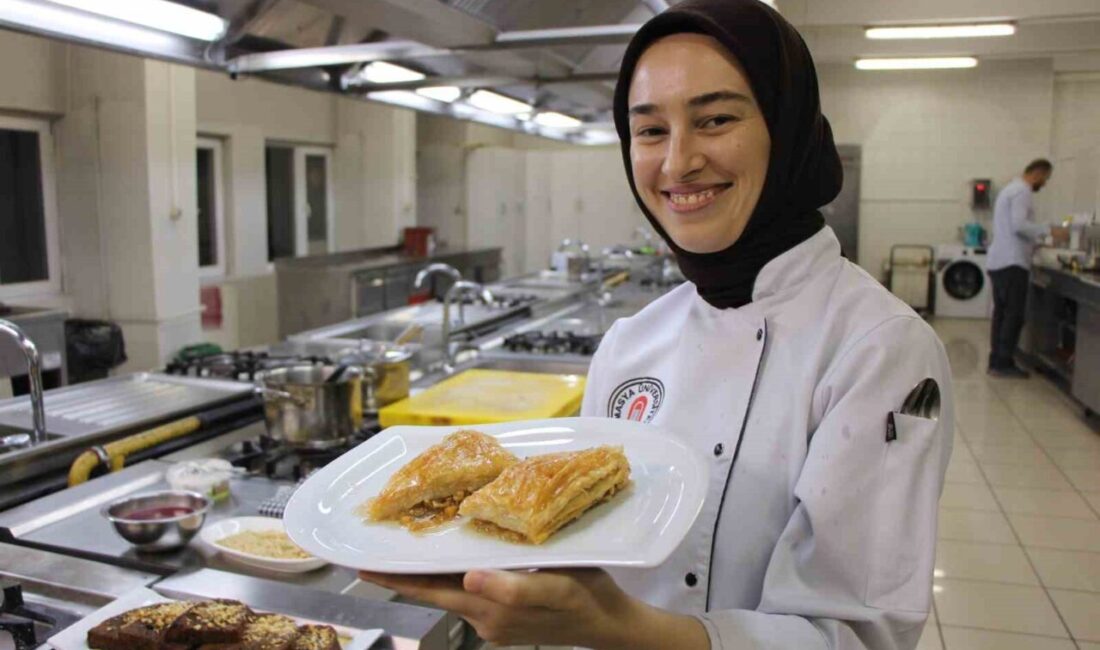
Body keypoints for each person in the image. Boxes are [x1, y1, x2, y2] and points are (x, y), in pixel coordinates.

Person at [359, 1, 954, 648]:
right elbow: (586, 550)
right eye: (649, 131)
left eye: (716, 119)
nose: (677, 163)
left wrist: (626, 630)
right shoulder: (633, 342)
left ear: (787, 129)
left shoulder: (878, 349)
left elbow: (857, 638)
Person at [986, 159, 1054, 378]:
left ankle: (996, 360)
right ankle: (1003, 362)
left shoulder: (1009, 190)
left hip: (1000, 261)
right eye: (1045, 178)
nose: (1044, 183)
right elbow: (1019, 225)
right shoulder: (1022, 192)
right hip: (1012, 263)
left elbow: (1011, 227)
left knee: (1001, 314)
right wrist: (1047, 230)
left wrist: (1034, 242)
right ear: (1038, 173)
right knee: (1013, 315)